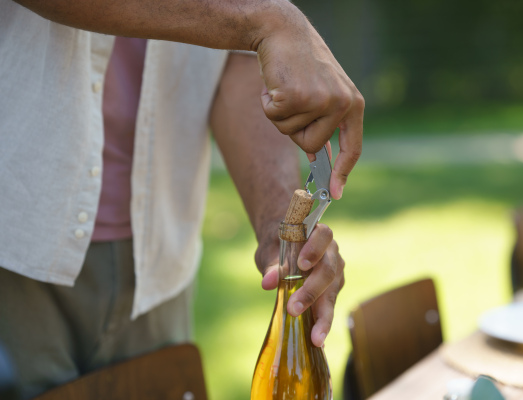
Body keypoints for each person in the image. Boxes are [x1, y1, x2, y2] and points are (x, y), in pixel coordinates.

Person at [0, 0, 364, 398]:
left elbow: (237, 64)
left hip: (160, 257)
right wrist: (266, 20)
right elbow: (253, 30)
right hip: (15, 240)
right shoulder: (262, 15)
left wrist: (280, 228)